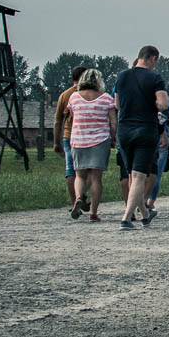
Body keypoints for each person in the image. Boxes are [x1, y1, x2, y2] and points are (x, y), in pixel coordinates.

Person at [113, 46, 169, 230]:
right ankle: (126, 218)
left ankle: (145, 214)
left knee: (131, 173)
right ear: (153, 58)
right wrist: (152, 102)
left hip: (124, 129)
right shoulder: (155, 78)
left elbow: (116, 103)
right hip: (145, 129)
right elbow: (163, 105)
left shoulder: (122, 76)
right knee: (139, 176)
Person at [65, 69, 115, 222]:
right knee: (96, 178)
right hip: (100, 140)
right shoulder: (106, 99)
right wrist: (113, 137)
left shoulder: (74, 98)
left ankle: (78, 198)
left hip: (78, 140)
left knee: (79, 175)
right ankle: (93, 212)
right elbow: (113, 121)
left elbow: (73, 117)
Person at [53, 65, 88, 214]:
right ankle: (84, 198)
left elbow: (57, 121)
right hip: (87, 136)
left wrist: (56, 141)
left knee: (70, 169)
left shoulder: (64, 95)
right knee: (90, 169)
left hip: (68, 135)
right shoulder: (89, 94)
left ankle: (75, 202)